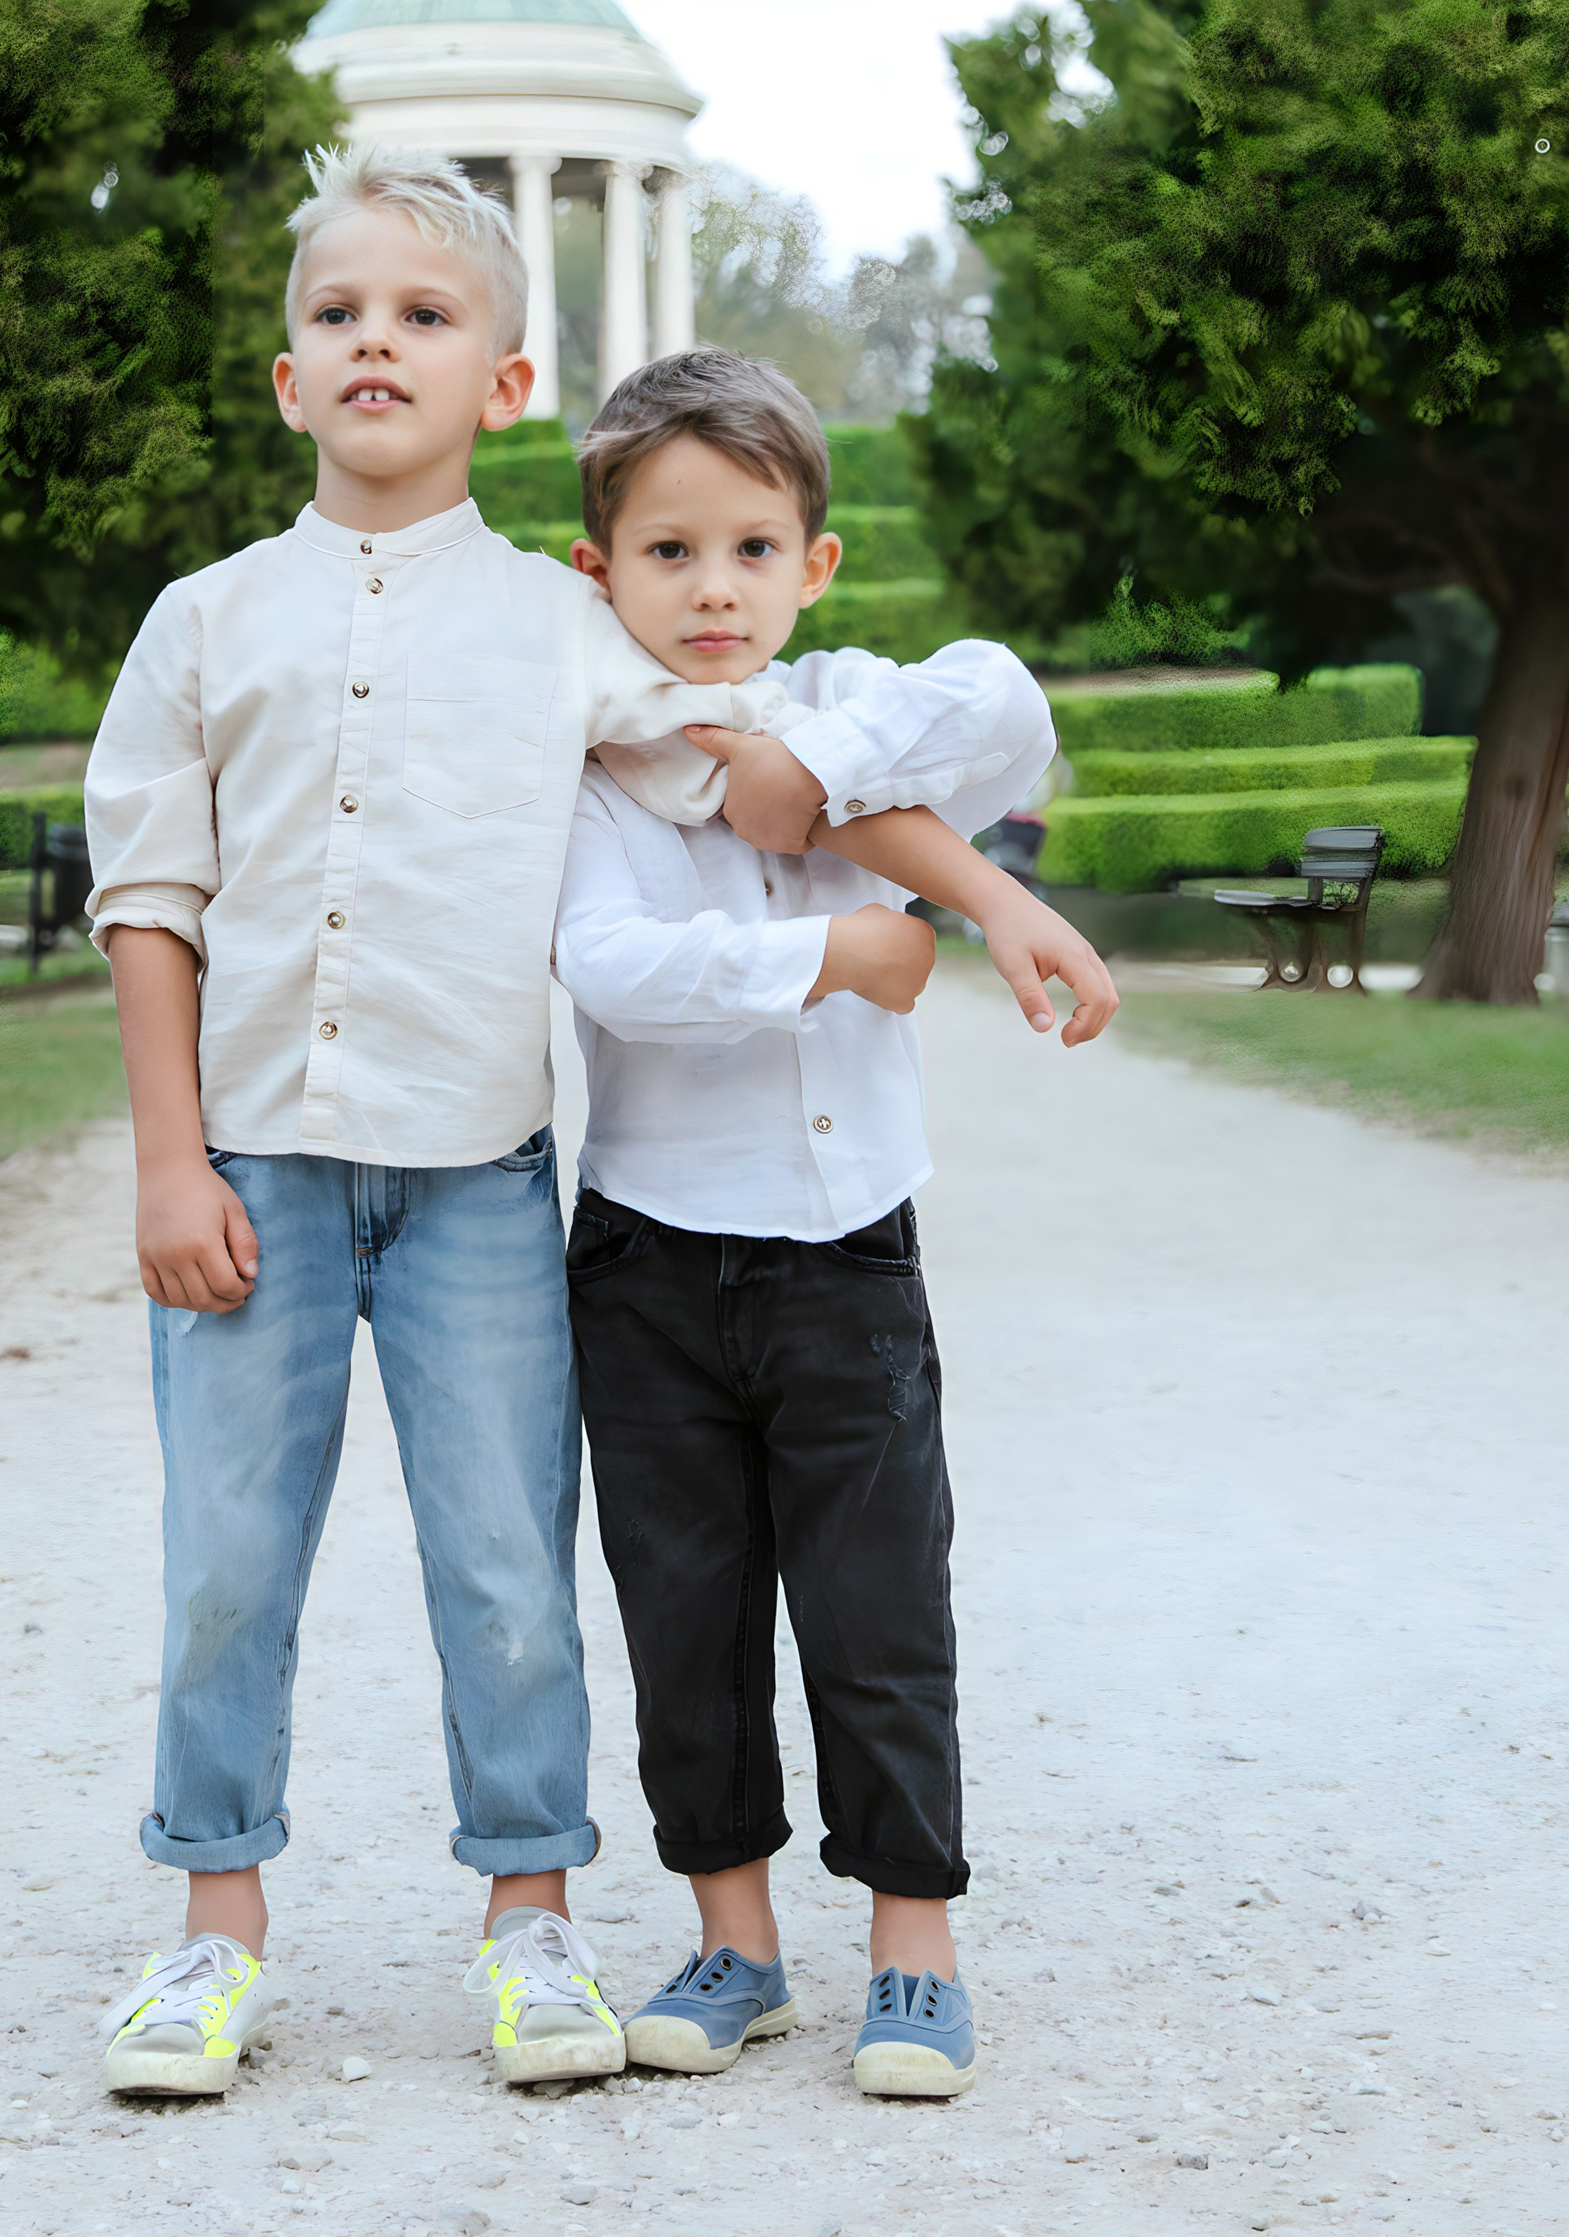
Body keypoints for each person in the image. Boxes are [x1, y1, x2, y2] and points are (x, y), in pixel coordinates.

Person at [80, 146, 1050, 2097]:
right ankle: (211, 1935)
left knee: (509, 1568)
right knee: (223, 1562)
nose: (377, 342)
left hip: (476, 1187)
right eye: (338, 314)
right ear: (287, 376)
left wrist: (959, 890)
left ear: (500, 384)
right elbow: (150, 897)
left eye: (424, 316)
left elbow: (762, 766)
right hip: (251, 1165)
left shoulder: (565, 624)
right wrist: (167, 1158)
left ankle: (529, 1928)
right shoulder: (200, 618)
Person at [552, 347, 1116, 2100]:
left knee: (879, 1603)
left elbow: (1008, 703)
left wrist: (801, 762)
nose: (711, 588)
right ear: (599, 573)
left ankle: (913, 1948)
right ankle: (734, 1939)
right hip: (650, 1253)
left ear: (815, 563)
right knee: (686, 1611)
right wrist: (832, 947)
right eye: (667, 552)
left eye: (749, 547)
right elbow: (608, 966)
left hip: (849, 1250)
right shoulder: (587, 756)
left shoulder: (863, 697)